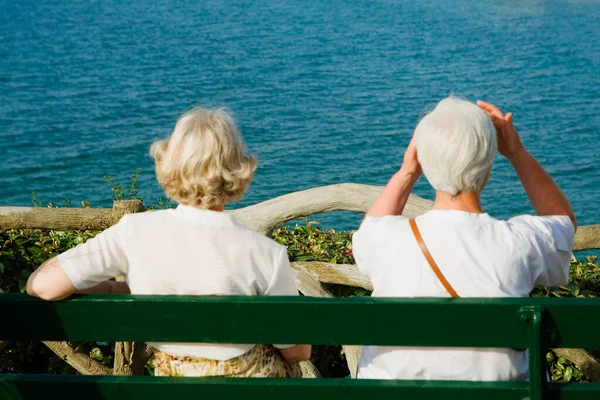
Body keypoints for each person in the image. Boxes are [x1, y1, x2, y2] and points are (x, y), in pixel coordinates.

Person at [27, 107, 311, 377]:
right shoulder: (267, 254)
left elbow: (42, 286)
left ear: (171, 163)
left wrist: (123, 287)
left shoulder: (133, 232)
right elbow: (298, 350)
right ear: (237, 168)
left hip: (172, 383)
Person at [352, 97, 576, 381]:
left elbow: (371, 226)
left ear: (423, 162)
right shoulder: (519, 242)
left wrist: (407, 171)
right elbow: (564, 222)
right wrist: (517, 153)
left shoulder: (385, 240)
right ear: (487, 170)